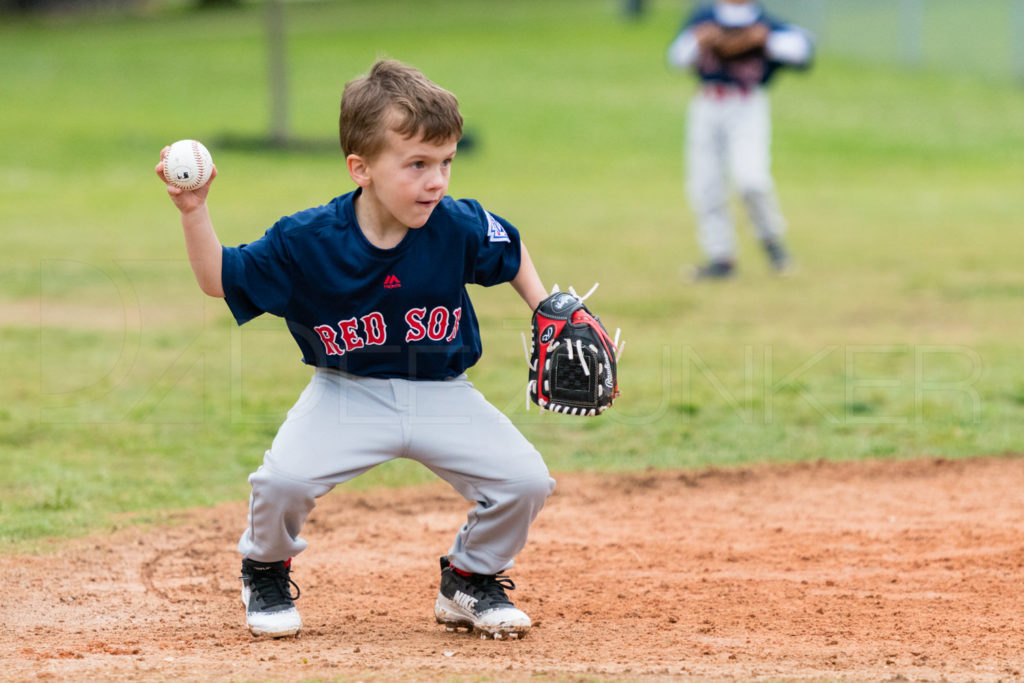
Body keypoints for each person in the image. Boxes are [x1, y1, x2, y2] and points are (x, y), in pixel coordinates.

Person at [154, 59, 556, 641]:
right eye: (416, 164)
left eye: (445, 161)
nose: (436, 181)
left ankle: (470, 577)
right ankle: (264, 568)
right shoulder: (307, 240)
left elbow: (510, 250)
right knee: (283, 483)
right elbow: (219, 278)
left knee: (524, 482)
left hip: (443, 393)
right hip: (346, 395)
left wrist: (543, 307)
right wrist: (195, 212)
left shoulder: (456, 224)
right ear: (360, 168)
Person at [667, 0, 814, 280]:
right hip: (708, 102)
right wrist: (699, 40)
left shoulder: (762, 21)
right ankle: (720, 257)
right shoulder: (705, 17)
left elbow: (803, 50)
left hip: (746, 103)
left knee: (751, 180)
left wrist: (765, 39)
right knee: (705, 184)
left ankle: (772, 241)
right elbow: (676, 56)